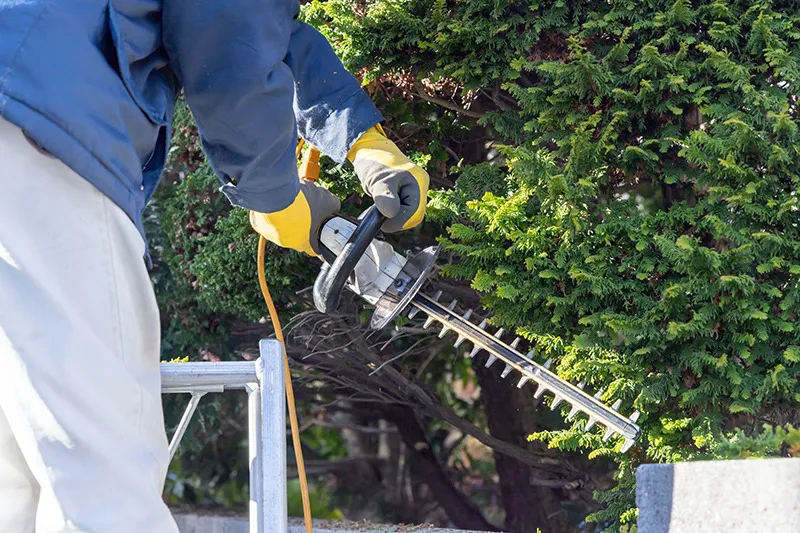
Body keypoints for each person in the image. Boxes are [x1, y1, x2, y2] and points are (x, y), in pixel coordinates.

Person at [0, 0, 429, 531]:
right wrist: (274, 197)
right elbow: (228, 29)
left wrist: (363, 140)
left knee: (14, 475)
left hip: (22, 103)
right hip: (36, 133)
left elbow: (268, 33)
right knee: (103, 474)